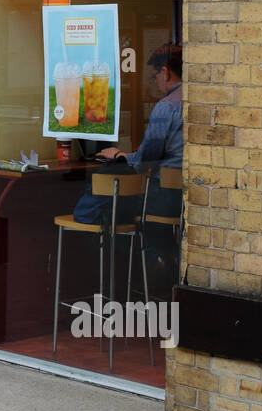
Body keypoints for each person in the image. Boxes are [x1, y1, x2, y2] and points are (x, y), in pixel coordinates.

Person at [73, 43, 183, 283]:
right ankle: (162, 259)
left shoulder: (166, 107)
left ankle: (151, 263)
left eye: (155, 76)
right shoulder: (197, 99)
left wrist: (120, 155)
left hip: (162, 198)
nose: (155, 82)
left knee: (112, 215)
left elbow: (146, 160)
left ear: (165, 72)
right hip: (185, 199)